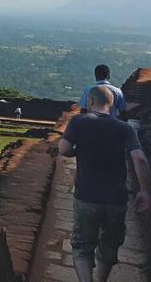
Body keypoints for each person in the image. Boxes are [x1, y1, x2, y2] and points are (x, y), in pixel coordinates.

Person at [59, 85, 150, 282]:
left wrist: (77, 152)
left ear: (90, 102)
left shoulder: (79, 122)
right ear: (113, 104)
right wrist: (144, 190)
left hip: (86, 197)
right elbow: (140, 159)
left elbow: (63, 149)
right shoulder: (124, 128)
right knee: (109, 247)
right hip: (116, 200)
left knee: (82, 247)